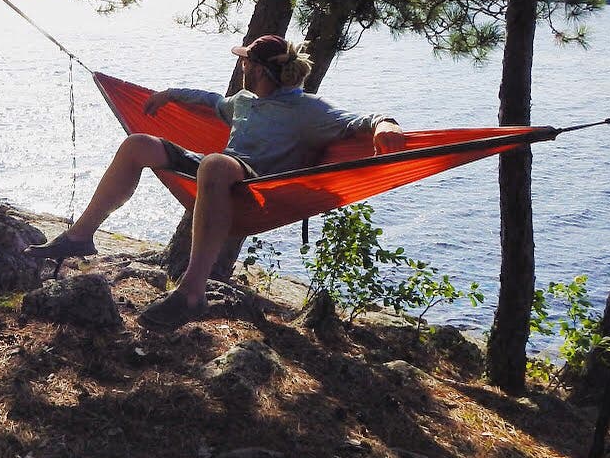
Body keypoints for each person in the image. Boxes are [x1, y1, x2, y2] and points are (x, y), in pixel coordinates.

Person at [25, 34, 406, 329]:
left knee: (216, 164)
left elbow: (358, 120)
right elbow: (210, 102)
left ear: (259, 69)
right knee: (138, 144)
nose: (242, 67)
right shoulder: (244, 100)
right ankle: (80, 236)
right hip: (218, 172)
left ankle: (192, 292)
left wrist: (386, 124)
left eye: (245, 62)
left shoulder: (308, 109)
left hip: (258, 188)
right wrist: (171, 94)